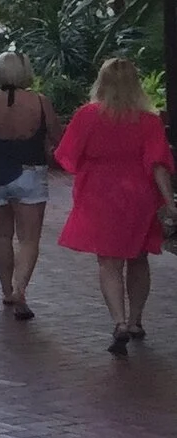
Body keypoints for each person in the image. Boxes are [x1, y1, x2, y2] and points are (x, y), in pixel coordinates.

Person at [54, 56, 177, 355]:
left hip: (98, 192)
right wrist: (170, 203)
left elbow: (67, 155)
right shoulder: (148, 121)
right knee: (138, 257)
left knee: (108, 262)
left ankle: (119, 321)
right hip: (138, 193)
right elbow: (158, 163)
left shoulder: (87, 115)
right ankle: (136, 320)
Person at [0, 52, 58, 320]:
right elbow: (56, 135)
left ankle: (6, 290)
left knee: (1, 235)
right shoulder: (40, 102)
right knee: (29, 238)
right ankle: (20, 288)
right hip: (30, 173)